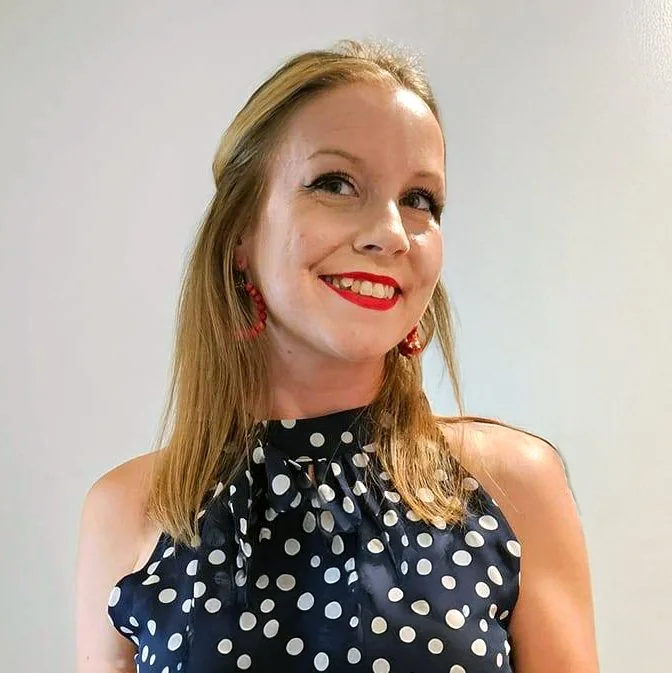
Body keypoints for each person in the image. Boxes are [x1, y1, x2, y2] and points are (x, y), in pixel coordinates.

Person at [75, 39, 599, 673]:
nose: (390, 233)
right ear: (241, 234)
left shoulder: (514, 485)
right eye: (334, 184)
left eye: (420, 199)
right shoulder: (128, 509)